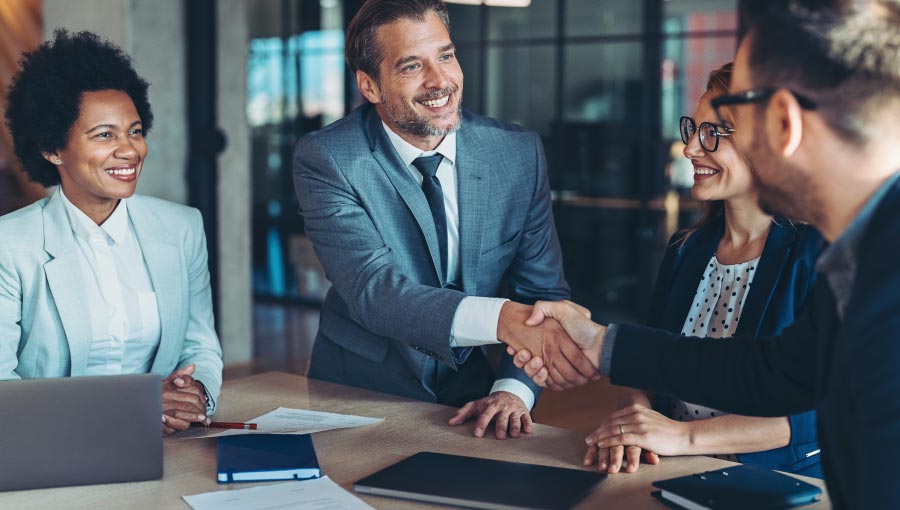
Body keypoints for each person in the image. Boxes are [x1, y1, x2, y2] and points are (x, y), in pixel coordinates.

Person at [509, 0, 900, 506]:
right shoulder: (854, 256)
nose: (693, 148)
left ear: (782, 122)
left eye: (734, 125)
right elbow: (773, 373)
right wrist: (601, 342)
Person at [292, 0, 594, 440]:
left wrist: (512, 392)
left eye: (446, 56)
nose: (440, 81)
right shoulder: (328, 158)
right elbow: (374, 291)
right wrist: (503, 318)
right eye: (412, 66)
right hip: (357, 389)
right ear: (370, 86)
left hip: (472, 392)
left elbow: (541, 292)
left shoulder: (517, 154)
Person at [590, 63, 822, 477]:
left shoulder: (817, 254)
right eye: (693, 130)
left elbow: (817, 411)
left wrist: (683, 437)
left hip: (777, 482)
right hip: (670, 469)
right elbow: (648, 361)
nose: (691, 149)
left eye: (712, 133)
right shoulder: (686, 248)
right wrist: (637, 422)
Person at [0, 30, 223, 436]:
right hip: (50, 443)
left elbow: (200, 346)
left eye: (134, 131)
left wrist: (193, 396)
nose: (130, 150)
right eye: (104, 135)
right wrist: (133, 407)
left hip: (164, 443)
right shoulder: (10, 245)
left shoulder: (182, 228)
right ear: (52, 149)